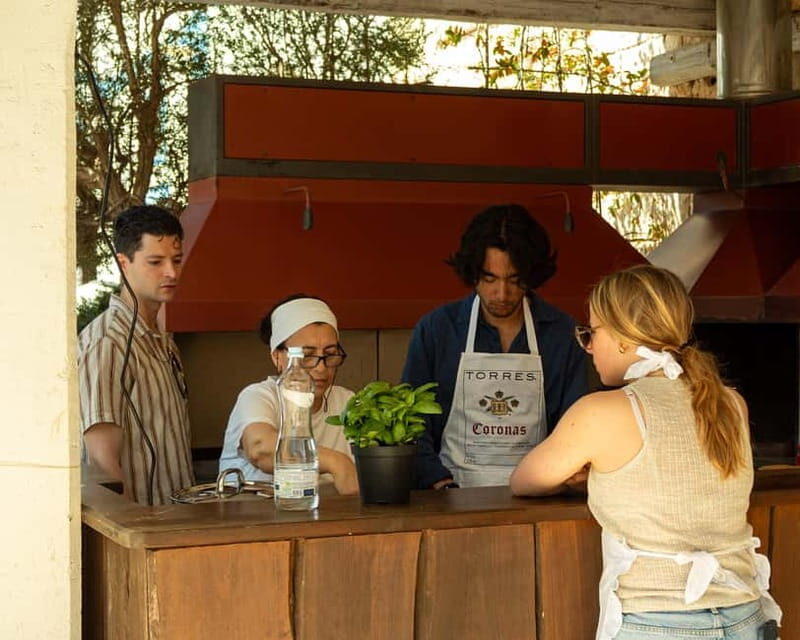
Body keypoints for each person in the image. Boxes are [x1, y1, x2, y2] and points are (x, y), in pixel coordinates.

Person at [510, 265, 781, 639]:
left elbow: (525, 479)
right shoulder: (731, 402)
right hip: (745, 616)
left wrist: (585, 477)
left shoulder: (600, 412)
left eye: (592, 332)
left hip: (658, 623)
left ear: (622, 337)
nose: (589, 346)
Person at [402, 203, 588, 489]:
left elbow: (575, 426)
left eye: (515, 281)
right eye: (490, 279)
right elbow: (412, 421)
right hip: (450, 492)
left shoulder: (562, 334)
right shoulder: (438, 330)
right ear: (473, 274)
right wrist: (438, 482)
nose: (502, 294)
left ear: (532, 276)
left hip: (540, 492)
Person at [79, 205, 194, 506]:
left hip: (176, 522)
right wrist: (134, 530)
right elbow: (102, 461)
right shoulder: (107, 342)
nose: (171, 272)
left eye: (177, 260)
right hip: (142, 534)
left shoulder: (163, 341)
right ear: (123, 263)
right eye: (155, 262)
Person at [219, 295, 359, 495]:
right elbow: (259, 447)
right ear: (277, 356)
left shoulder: (346, 402)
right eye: (307, 355)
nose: (321, 368)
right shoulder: (258, 397)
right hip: (254, 521)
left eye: (330, 354)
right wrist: (336, 462)